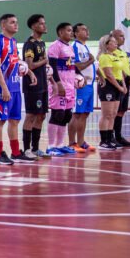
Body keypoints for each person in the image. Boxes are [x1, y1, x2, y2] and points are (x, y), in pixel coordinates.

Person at [0, 14, 27, 164]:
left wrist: (29, 72)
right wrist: (4, 88)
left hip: (15, 87)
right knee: (0, 121)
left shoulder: (14, 41)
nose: (16, 25)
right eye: (12, 22)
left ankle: (16, 152)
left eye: (16, 22)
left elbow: (15, 61)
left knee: (15, 121)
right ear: (3, 25)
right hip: (3, 88)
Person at [45, 22, 77, 156]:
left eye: (72, 30)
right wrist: (58, 84)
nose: (71, 33)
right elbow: (52, 66)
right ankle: (51, 146)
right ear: (61, 32)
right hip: (60, 86)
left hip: (70, 87)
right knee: (57, 114)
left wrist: (77, 79)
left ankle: (60, 145)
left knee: (67, 115)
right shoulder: (55, 46)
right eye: (68, 30)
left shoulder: (70, 47)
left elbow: (72, 67)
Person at [21, 14, 50, 159]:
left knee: (42, 115)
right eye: (41, 23)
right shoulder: (30, 44)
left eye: (44, 23)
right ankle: (26, 149)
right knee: (31, 115)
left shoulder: (42, 43)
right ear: (33, 26)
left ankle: (36, 148)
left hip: (43, 84)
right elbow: (30, 65)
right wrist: (45, 61)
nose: (44, 26)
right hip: (32, 85)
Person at [96, 34, 127, 150]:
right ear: (106, 45)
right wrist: (119, 87)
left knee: (113, 114)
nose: (116, 43)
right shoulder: (104, 57)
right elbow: (108, 74)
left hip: (117, 84)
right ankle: (103, 141)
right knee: (107, 114)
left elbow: (120, 72)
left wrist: (123, 85)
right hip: (108, 86)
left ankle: (110, 139)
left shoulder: (115, 56)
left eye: (115, 42)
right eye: (113, 42)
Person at [69, 23, 97, 152]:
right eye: (83, 29)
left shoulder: (85, 46)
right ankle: (72, 143)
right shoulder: (75, 46)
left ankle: (81, 142)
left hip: (89, 84)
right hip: (80, 85)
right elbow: (77, 66)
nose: (87, 31)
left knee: (85, 113)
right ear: (76, 33)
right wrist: (91, 60)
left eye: (87, 29)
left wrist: (100, 76)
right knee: (77, 114)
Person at [110, 29, 130, 147]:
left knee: (121, 111)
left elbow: (128, 66)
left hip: (126, 82)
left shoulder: (122, 52)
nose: (123, 38)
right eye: (121, 36)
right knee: (113, 111)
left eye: (123, 36)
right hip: (118, 82)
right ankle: (110, 137)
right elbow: (118, 69)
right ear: (113, 37)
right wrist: (128, 78)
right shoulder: (111, 52)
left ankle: (119, 137)